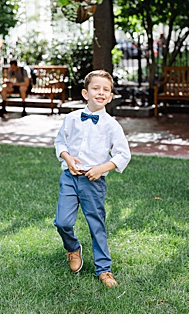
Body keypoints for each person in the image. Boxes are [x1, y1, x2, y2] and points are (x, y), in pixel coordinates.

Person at [53, 70, 132, 288]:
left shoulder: (112, 125)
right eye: (96, 88)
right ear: (85, 93)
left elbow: (123, 154)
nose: (101, 92)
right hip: (70, 177)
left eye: (106, 90)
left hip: (94, 182)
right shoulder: (71, 119)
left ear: (110, 96)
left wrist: (102, 168)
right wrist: (67, 158)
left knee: (96, 225)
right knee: (62, 221)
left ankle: (104, 269)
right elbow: (60, 143)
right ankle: (73, 248)